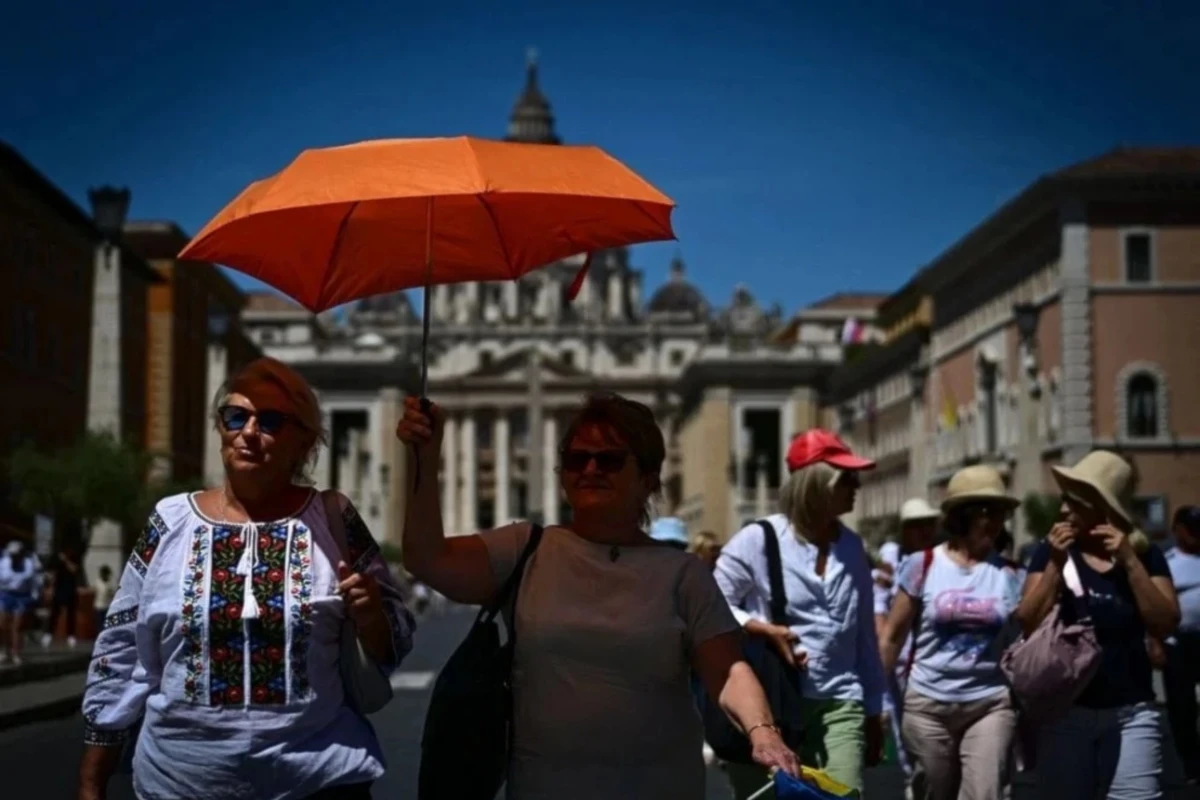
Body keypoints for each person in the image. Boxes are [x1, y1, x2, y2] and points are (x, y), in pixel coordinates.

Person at [396, 391, 801, 800]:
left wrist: (763, 732)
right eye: (577, 459)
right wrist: (425, 461)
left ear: (648, 477)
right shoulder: (525, 548)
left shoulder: (684, 573)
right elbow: (428, 558)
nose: (590, 469)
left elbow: (727, 670)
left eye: (608, 460)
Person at [78, 357, 415, 800]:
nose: (249, 432)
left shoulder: (335, 518)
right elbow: (120, 649)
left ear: (305, 443)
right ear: (220, 429)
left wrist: (371, 615)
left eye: (271, 420)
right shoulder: (170, 520)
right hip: (179, 784)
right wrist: (91, 781)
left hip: (318, 782)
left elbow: (398, 635)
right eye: (235, 416)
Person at [715, 429, 887, 797]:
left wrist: (875, 712)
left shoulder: (853, 547)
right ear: (818, 485)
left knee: (844, 795)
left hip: (841, 701)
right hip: (773, 706)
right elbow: (710, 605)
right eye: (847, 479)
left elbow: (864, 637)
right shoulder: (758, 540)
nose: (856, 486)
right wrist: (761, 628)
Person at [1016, 450, 1179, 800]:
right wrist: (1054, 567)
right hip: (1064, 713)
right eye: (1064, 499)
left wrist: (1131, 564)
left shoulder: (1145, 555)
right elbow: (1027, 621)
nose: (1063, 509)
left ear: (1103, 506)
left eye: (1075, 501)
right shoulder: (1052, 551)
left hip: (1131, 711)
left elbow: (1164, 623)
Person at [880, 466, 1022, 800]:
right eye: (984, 511)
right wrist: (876, 701)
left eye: (999, 512)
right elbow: (892, 636)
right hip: (929, 706)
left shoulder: (1011, 574)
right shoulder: (922, 564)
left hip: (989, 704)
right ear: (961, 516)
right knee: (933, 791)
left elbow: (1027, 636)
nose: (994, 521)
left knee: (985, 793)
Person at [873, 498, 939, 797]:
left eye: (929, 525)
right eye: (917, 526)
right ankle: (912, 781)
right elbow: (878, 603)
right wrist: (884, 647)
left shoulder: (940, 557)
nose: (924, 532)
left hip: (929, 655)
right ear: (905, 530)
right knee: (903, 728)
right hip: (900, 657)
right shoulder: (892, 557)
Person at [1163, 504, 1200, 785]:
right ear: (1177, 529)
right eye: (1190, 528)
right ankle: (1191, 763)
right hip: (1178, 642)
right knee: (1182, 706)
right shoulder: (1167, 562)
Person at [0, 540, 39, 666]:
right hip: (6, 594)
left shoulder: (28, 564)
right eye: (12, 555)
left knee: (17, 626)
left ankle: (16, 653)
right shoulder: (4, 563)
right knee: (3, 625)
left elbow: (34, 582)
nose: (15, 557)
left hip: (22, 596)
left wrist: (35, 596)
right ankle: (5, 652)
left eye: (17, 554)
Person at [42, 546, 81, 648]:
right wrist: (49, 588)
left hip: (70, 589)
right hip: (58, 589)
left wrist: (66, 560)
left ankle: (71, 636)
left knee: (70, 614)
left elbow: (74, 570)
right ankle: (49, 634)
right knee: (54, 613)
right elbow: (50, 574)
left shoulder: (74, 558)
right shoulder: (55, 559)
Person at [92, 564, 115, 639]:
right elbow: (94, 592)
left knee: (106, 624)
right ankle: (100, 638)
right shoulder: (98, 582)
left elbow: (112, 594)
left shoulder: (109, 583)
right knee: (99, 624)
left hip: (107, 606)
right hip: (98, 606)